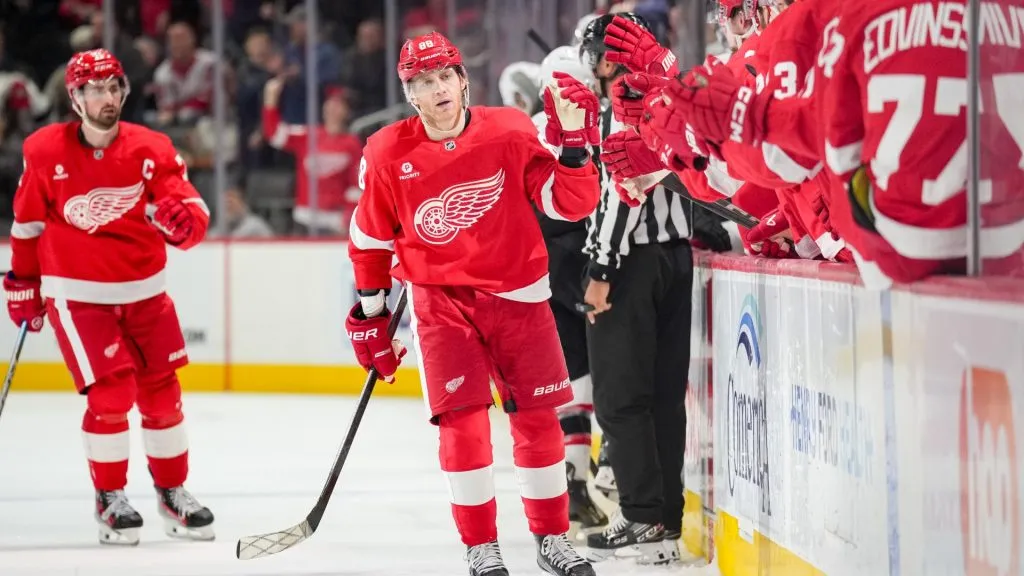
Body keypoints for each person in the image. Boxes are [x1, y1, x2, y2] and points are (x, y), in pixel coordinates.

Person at [345, 31, 601, 576]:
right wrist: (370, 318)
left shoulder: (509, 130)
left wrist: (577, 149)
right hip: (441, 305)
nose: (436, 90)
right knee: (463, 426)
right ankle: (480, 546)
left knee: (537, 422)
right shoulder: (388, 151)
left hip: (519, 294)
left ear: (463, 80)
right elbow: (369, 241)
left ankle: (552, 539)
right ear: (409, 93)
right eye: (422, 82)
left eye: (444, 77)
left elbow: (568, 204)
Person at [3, 49, 214, 546]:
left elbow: (186, 200)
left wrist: (190, 223)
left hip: (146, 291)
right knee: (112, 395)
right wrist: (22, 282)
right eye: (94, 89)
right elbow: (28, 223)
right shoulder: (44, 151)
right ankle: (110, 498)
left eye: (113, 86)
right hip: (78, 296)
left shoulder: (151, 147)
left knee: (163, 397)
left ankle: (172, 492)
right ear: (74, 97)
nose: (107, 97)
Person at [577, 13, 694, 566]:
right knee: (666, 399)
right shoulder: (668, 98)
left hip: (631, 266)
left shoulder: (619, 105)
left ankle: (643, 518)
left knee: (622, 400)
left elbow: (618, 196)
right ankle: (666, 524)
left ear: (603, 59)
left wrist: (600, 274)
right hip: (678, 257)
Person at [530, 45, 608, 535]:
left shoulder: (530, 127)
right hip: (593, 259)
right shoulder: (599, 122)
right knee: (608, 367)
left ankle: (575, 478)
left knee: (573, 369)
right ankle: (611, 469)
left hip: (544, 264)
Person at [263, 81, 363, 235]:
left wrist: (348, 216)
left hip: (334, 221)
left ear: (347, 112)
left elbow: (355, 185)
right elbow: (275, 134)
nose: (331, 107)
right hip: (304, 218)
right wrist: (271, 99)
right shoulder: (308, 135)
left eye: (338, 104)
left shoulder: (352, 144)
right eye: (329, 103)